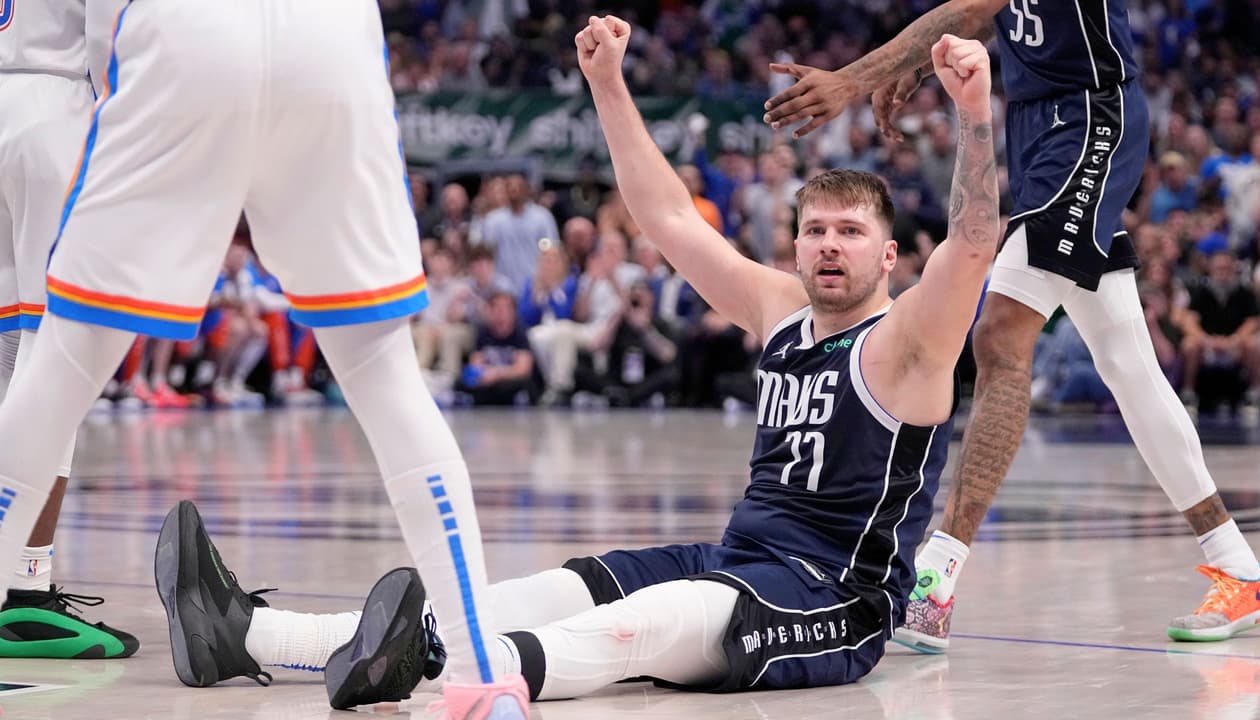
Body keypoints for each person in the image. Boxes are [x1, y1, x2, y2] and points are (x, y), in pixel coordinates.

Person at [161, 19, 1001, 704]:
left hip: (833, 598)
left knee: (661, 618)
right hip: (740, 556)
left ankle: (475, 675)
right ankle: (249, 635)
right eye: (814, 230)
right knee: (547, 590)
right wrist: (608, 86)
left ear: (888, 256)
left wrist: (973, 114)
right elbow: (667, 216)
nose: (827, 247)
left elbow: (970, 244)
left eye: (849, 233)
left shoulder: (909, 340)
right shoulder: (782, 308)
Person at [0, 2, 526, 717]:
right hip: (330, 28)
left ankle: (18, 578)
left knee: (60, 359)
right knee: (384, 372)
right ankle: (482, 679)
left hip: (182, 29)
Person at [760, 0, 1260, 651]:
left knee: (1001, 333)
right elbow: (977, 20)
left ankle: (935, 580)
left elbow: (973, 7)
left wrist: (853, 78)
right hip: (1035, 124)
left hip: (1090, 117)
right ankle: (1240, 568)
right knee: (1126, 364)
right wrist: (917, 64)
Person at [0, 0, 137, 658]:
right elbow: (113, 38)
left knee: (8, 350)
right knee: (53, 349)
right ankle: (25, 589)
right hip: (55, 114)